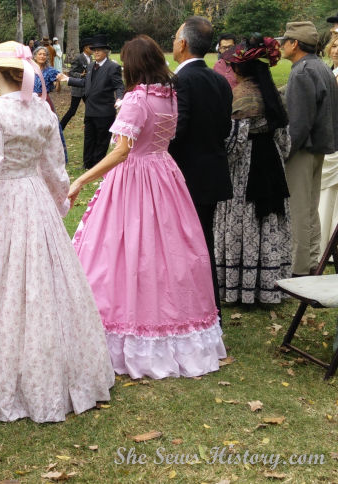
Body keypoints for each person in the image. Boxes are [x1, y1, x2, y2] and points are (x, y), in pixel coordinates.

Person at [0, 41, 113, 422]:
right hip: (33, 201)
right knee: (38, 289)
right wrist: (59, 204)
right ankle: (49, 373)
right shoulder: (43, 112)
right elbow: (55, 169)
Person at [69, 34, 227, 379]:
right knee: (166, 249)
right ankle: (174, 325)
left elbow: (122, 150)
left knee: (124, 249)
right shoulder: (168, 95)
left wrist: (81, 180)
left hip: (136, 176)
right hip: (165, 173)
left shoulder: (138, 99)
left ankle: (132, 324)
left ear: (132, 65)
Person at [213, 36, 292, 304]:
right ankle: (270, 284)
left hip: (245, 170)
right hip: (272, 163)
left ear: (238, 70)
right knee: (268, 221)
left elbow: (234, 144)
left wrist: (222, 163)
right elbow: (284, 142)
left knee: (243, 221)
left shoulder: (241, 96)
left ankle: (241, 288)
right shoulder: (273, 95)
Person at [168, 16, 233, 316]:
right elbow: (224, 128)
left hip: (185, 174)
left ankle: (196, 312)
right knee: (203, 243)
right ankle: (210, 309)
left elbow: (177, 130)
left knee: (186, 246)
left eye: (175, 37)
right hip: (212, 171)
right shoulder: (219, 79)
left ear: (182, 44)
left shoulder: (180, 81)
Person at [279, 21, 338, 276]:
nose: (281, 45)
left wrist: (285, 151)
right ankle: (313, 261)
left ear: (294, 44)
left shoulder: (302, 71)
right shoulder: (320, 67)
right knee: (311, 208)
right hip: (319, 148)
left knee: (299, 209)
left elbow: (299, 123)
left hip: (303, 149)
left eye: (285, 40)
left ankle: (300, 267)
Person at [66, 34, 124, 169]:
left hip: (104, 111)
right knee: (89, 138)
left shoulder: (112, 67)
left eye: (99, 50)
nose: (96, 52)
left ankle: (98, 165)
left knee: (101, 140)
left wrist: (120, 98)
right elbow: (86, 82)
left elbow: (119, 86)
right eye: (94, 49)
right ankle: (87, 163)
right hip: (90, 110)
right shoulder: (91, 66)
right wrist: (67, 79)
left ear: (106, 51)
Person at [320, 36, 338, 255]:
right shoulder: (329, 72)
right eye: (334, 46)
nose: (335, 51)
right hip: (330, 143)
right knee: (325, 199)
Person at [60, 37, 92, 130]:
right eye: (91, 48)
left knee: (91, 108)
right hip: (78, 88)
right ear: (85, 48)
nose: (93, 50)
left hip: (87, 88)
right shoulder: (78, 57)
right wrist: (80, 75)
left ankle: (89, 126)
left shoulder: (91, 58)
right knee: (72, 110)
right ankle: (60, 127)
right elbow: (71, 72)